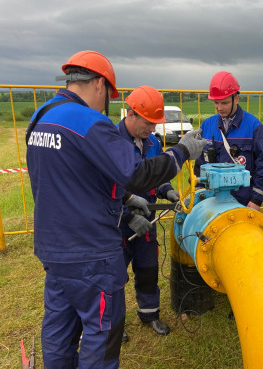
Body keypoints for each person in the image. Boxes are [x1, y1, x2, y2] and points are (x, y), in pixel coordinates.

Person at [26, 50, 206, 369]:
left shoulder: (41, 117)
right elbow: (136, 174)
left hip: (54, 249)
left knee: (59, 329)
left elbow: (72, 178)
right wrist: (181, 152)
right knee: (102, 333)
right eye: (109, 95)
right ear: (99, 85)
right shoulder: (89, 122)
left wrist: (123, 201)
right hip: (91, 253)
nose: (107, 103)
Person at [117, 86, 180, 341]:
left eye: (156, 123)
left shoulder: (153, 141)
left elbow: (155, 174)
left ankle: (149, 313)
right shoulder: (111, 142)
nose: (153, 129)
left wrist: (167, 190)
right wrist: (128, 216)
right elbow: (104, 188)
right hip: (118, 222)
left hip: (148, 220)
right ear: (131, 114)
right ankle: (114, 324)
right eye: (148, 123)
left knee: (148, 267)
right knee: (114, 276)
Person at [195, 71, 263, 210]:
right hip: (212, 200)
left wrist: (256, 200)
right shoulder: (207, 126)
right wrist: (200, 192)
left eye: (224, 103)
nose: (219, 108)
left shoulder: (254, 126)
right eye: (216, 102)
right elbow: (199, 163)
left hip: (243, 202)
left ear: (236, 99)